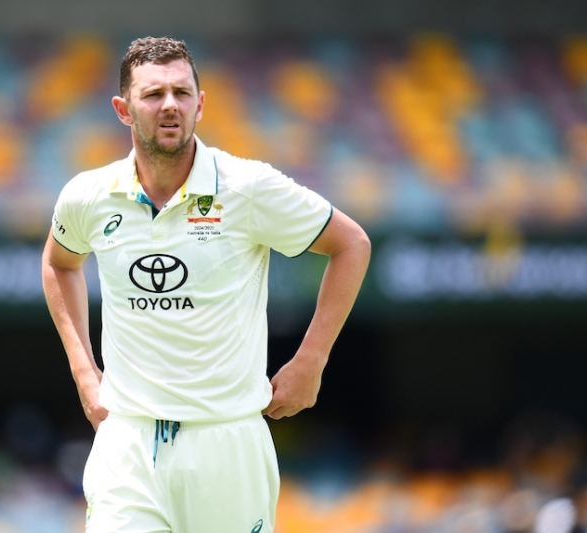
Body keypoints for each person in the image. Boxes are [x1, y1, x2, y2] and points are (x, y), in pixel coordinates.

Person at [41, 35, 371, 533]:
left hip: (228, 440)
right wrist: (85, 374)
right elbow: (59, 263)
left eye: (181, 92)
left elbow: (352, 244)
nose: (169, 105)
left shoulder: (248, 187)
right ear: (123, 109)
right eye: (152, 94)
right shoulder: (88, 195)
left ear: (201, 103)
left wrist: (311, 360)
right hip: (127, 441)